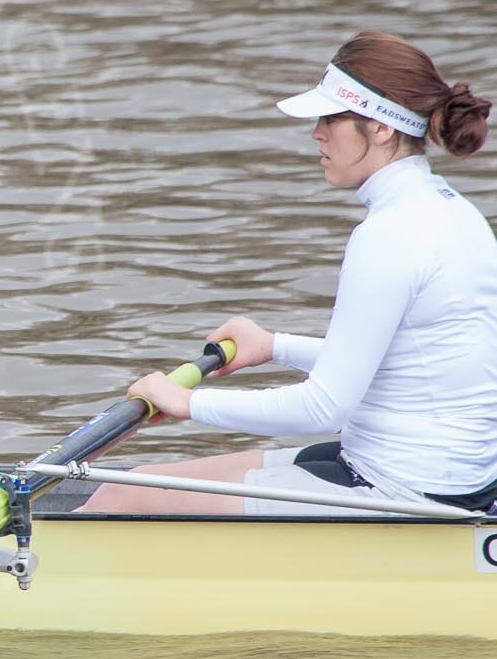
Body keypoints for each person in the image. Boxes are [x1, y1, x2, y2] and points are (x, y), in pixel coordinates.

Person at [82, 31, 497, 515]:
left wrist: (184, 402)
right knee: (134, 483)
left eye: (331, 118)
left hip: (403, 489)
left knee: (127, 493)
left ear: (381, 128)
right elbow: (394, 363)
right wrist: (274, 346)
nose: (317, 133)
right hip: (443, 473)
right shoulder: (452, 211)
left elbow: (323, 408)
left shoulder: (389, 235)